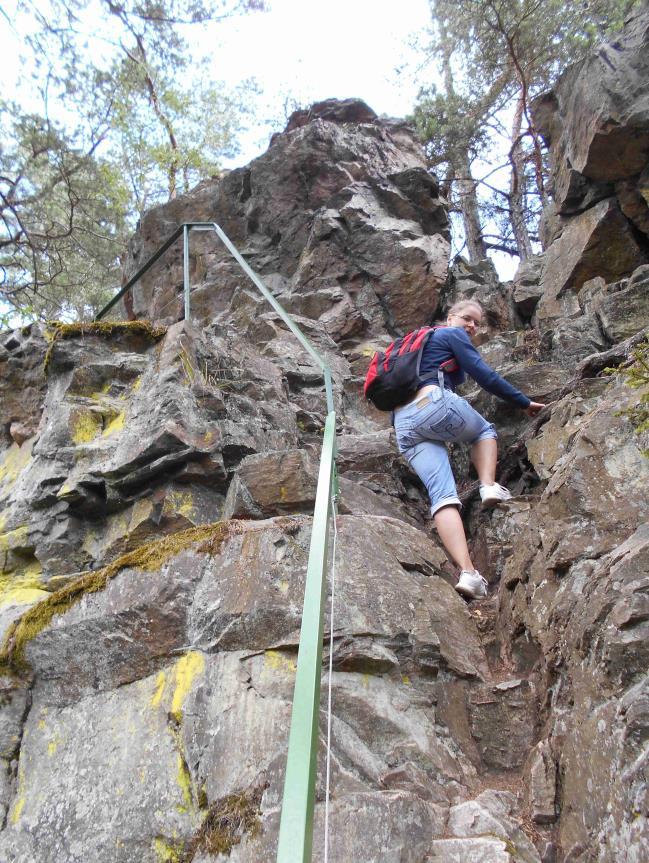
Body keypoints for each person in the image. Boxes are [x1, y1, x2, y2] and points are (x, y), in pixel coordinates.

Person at [393, 299, 545, 600]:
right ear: (450, 317)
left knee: (442, 496)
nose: (472, 326)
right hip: (431, 403)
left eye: (478, 323)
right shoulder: (450, 335)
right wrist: (523, 402)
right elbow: (484, 375)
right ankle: (488, 486)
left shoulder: (412, 347)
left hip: (403, 423)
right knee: (484, 431)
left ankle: (468, 573)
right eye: (467, 318)